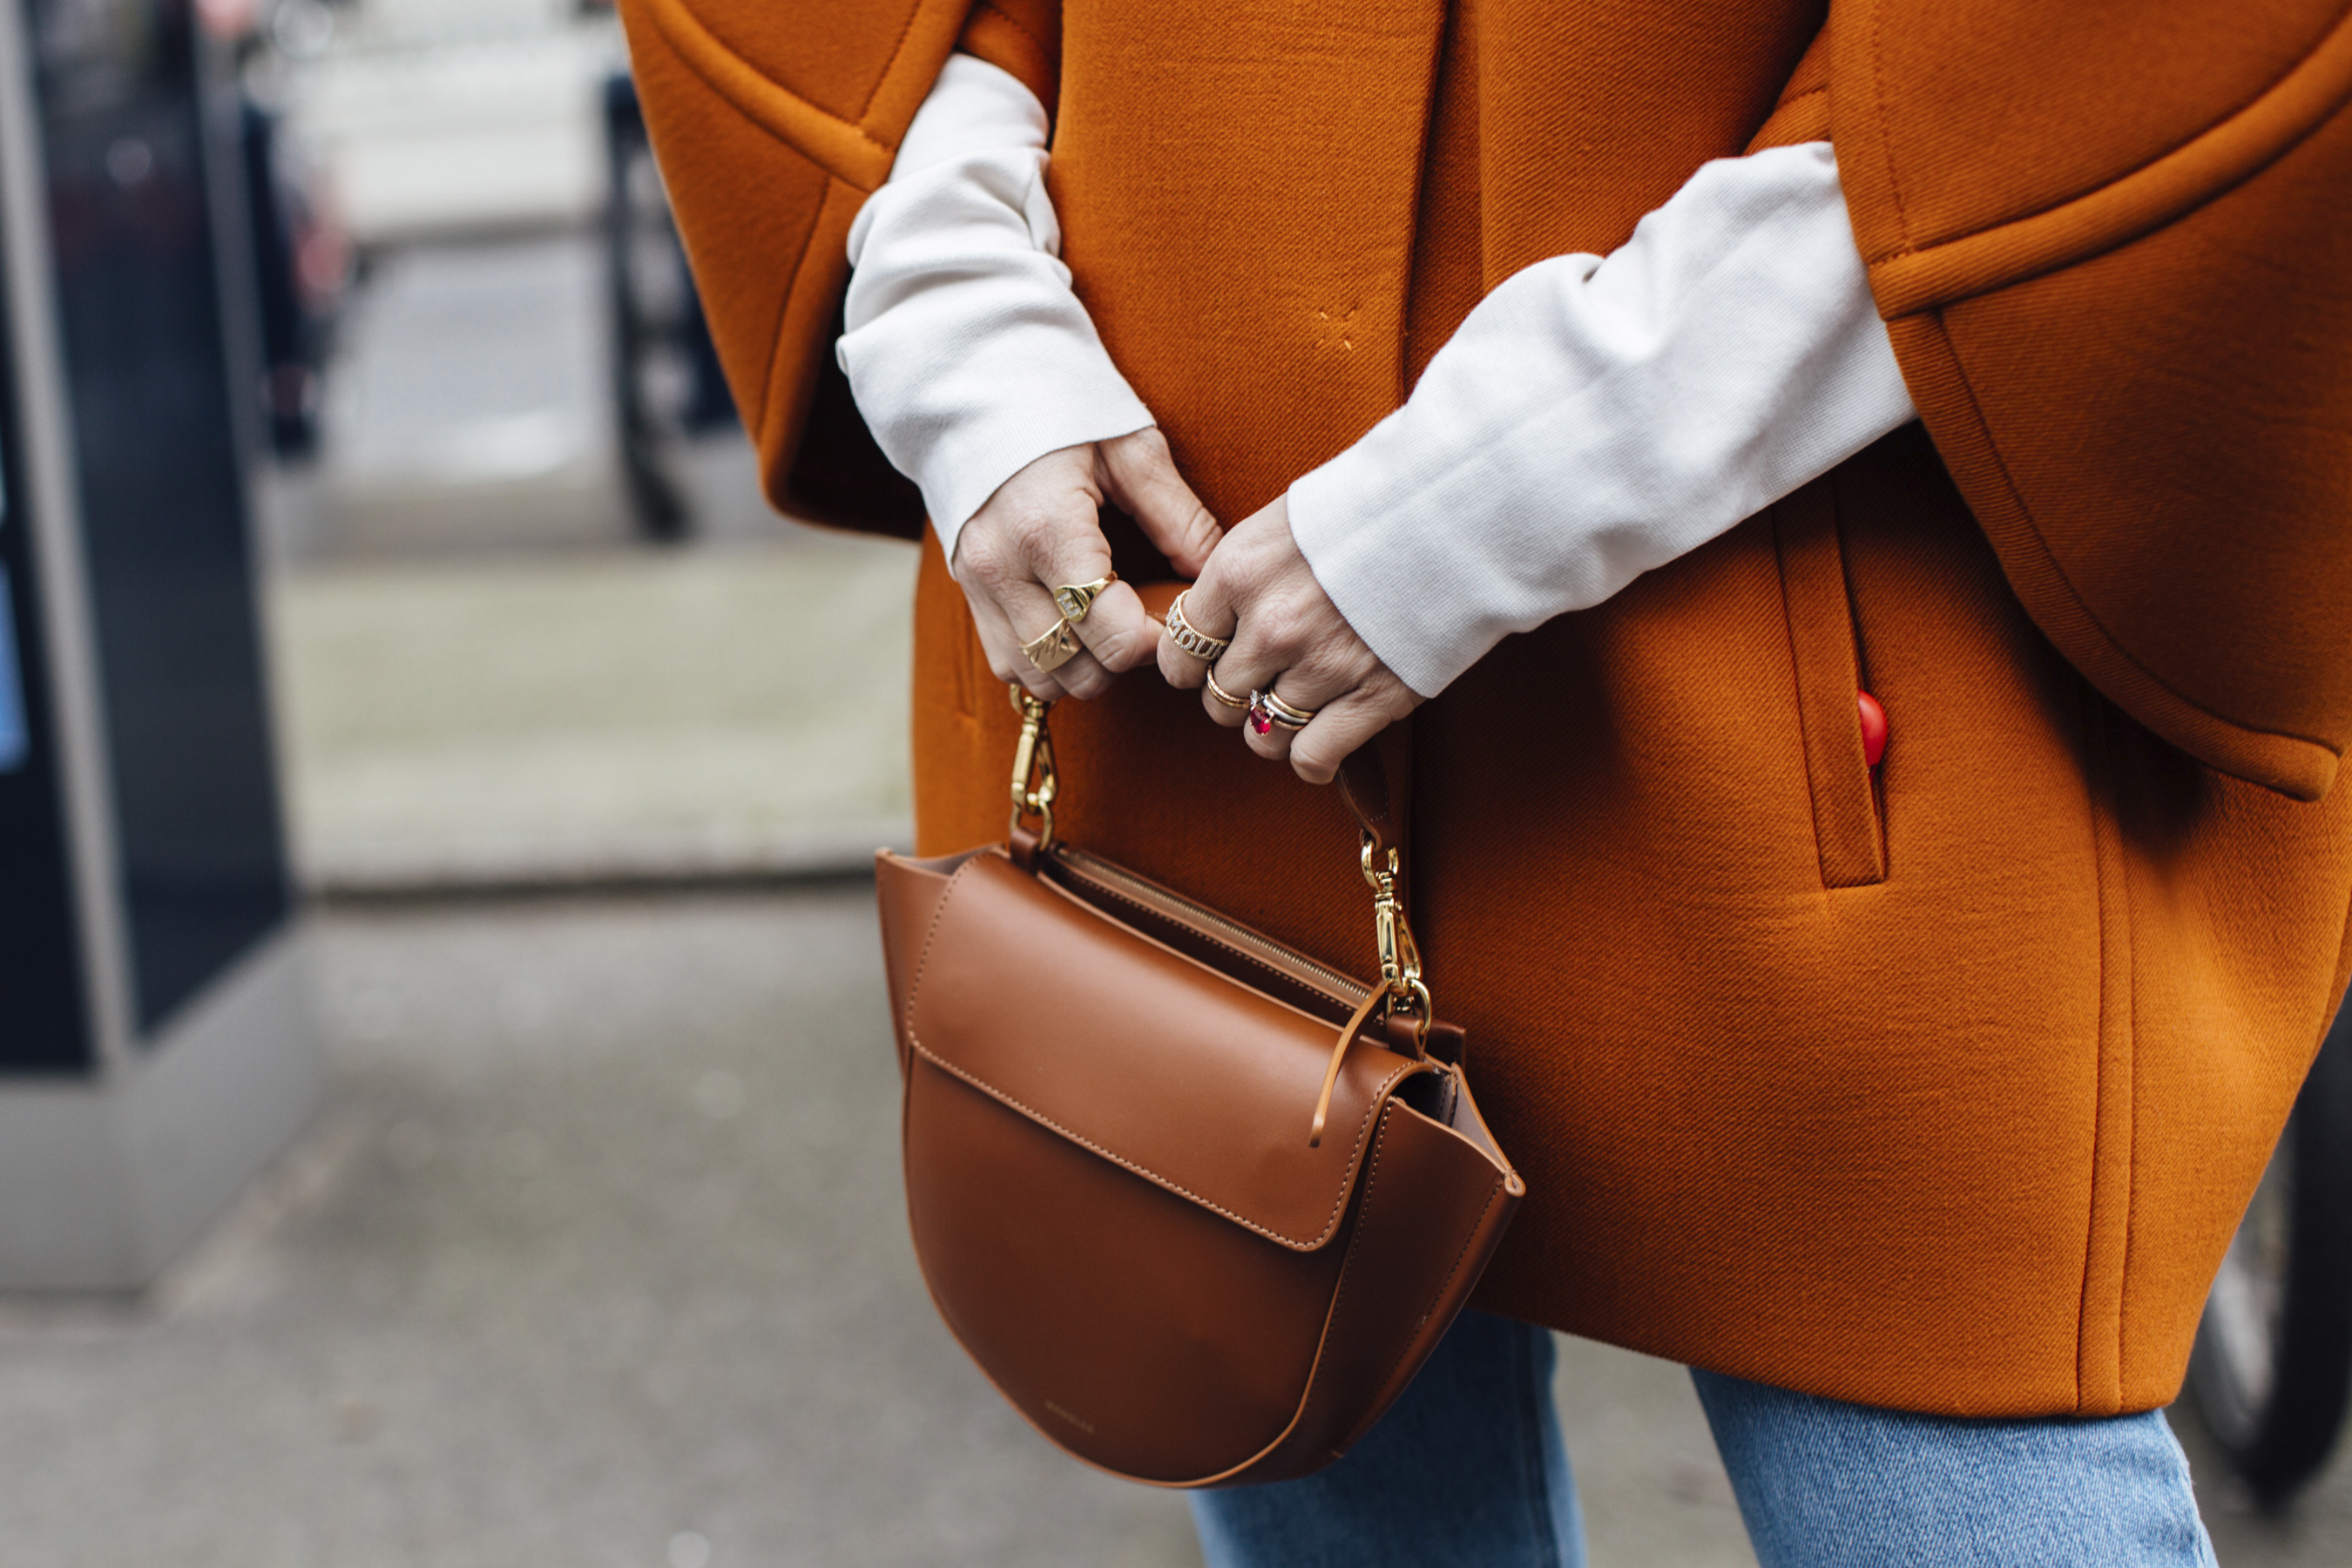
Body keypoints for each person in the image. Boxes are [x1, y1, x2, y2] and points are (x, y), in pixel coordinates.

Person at [616, 1, 2352, 1561]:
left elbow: (2106, 61)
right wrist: (960, 316)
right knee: (1323, 1480)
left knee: (1945, 1485)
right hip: (1190, 581)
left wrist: (1524, 474)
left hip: (1813, 609)